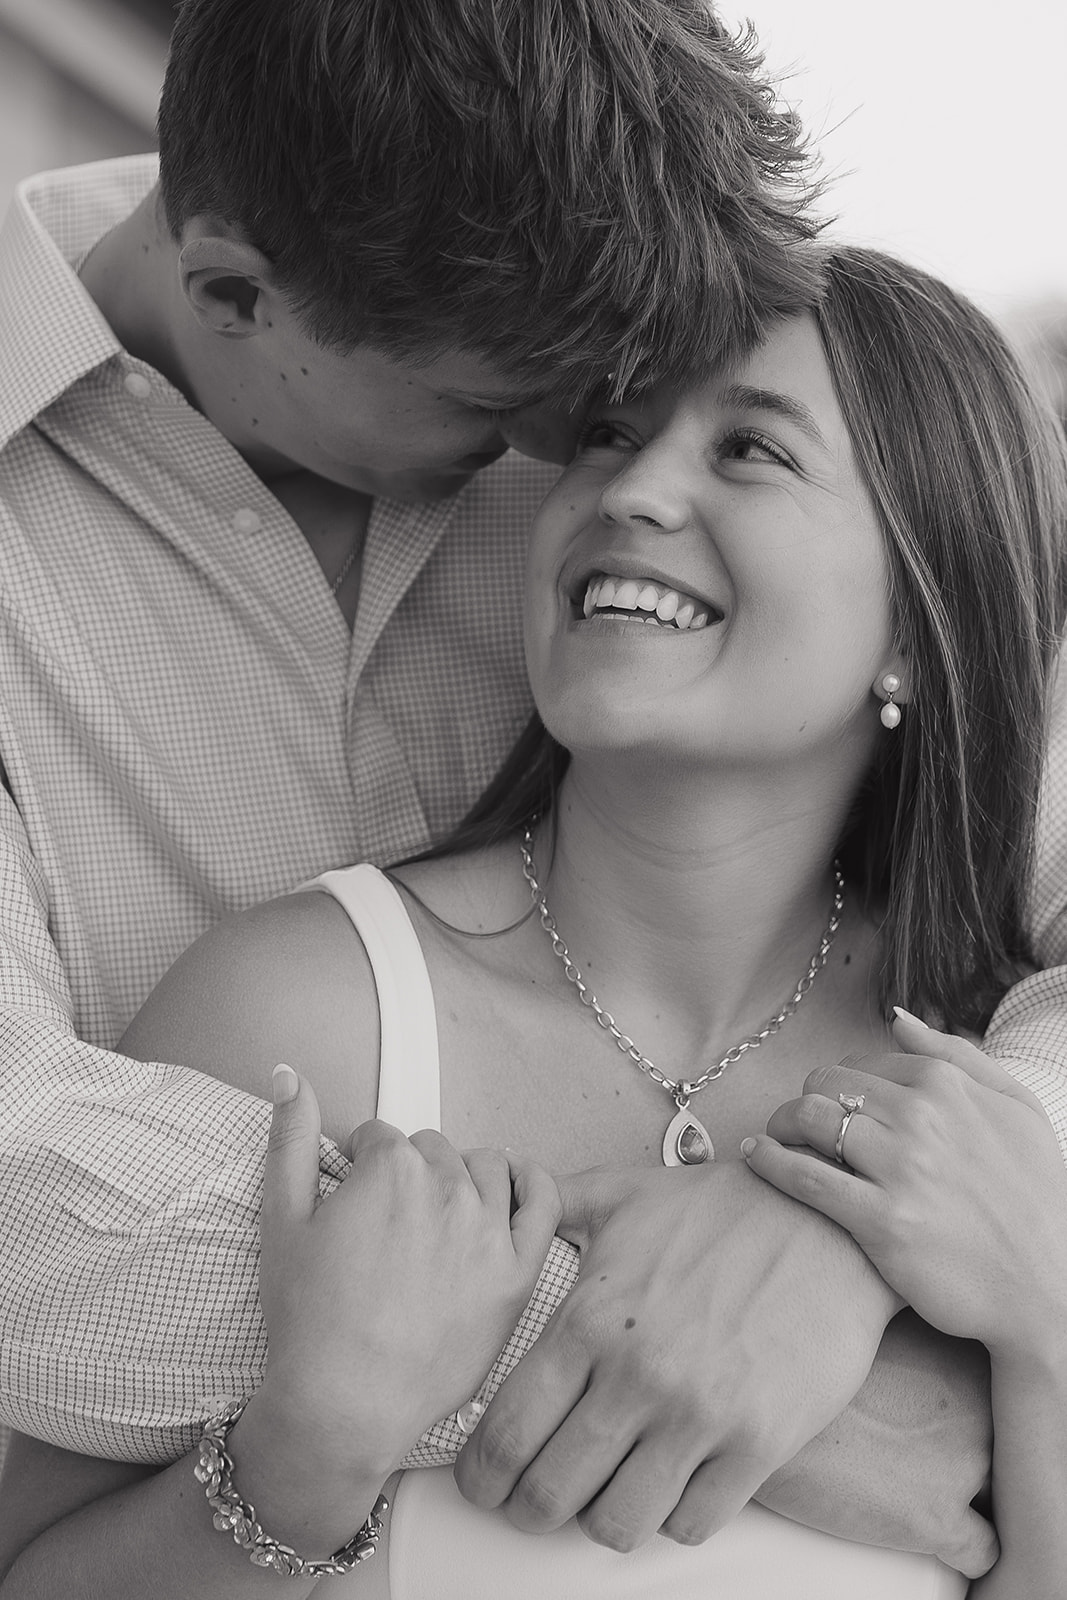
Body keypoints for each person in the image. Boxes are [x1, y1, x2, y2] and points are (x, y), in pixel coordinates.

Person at [0, 0, 1059, 1565]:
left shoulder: (561, 343)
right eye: (527, 422)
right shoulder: (284, 998)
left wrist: (905, 1213)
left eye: (620, 408)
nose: (599, 466)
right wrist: (703, 1352)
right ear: (233, 290)